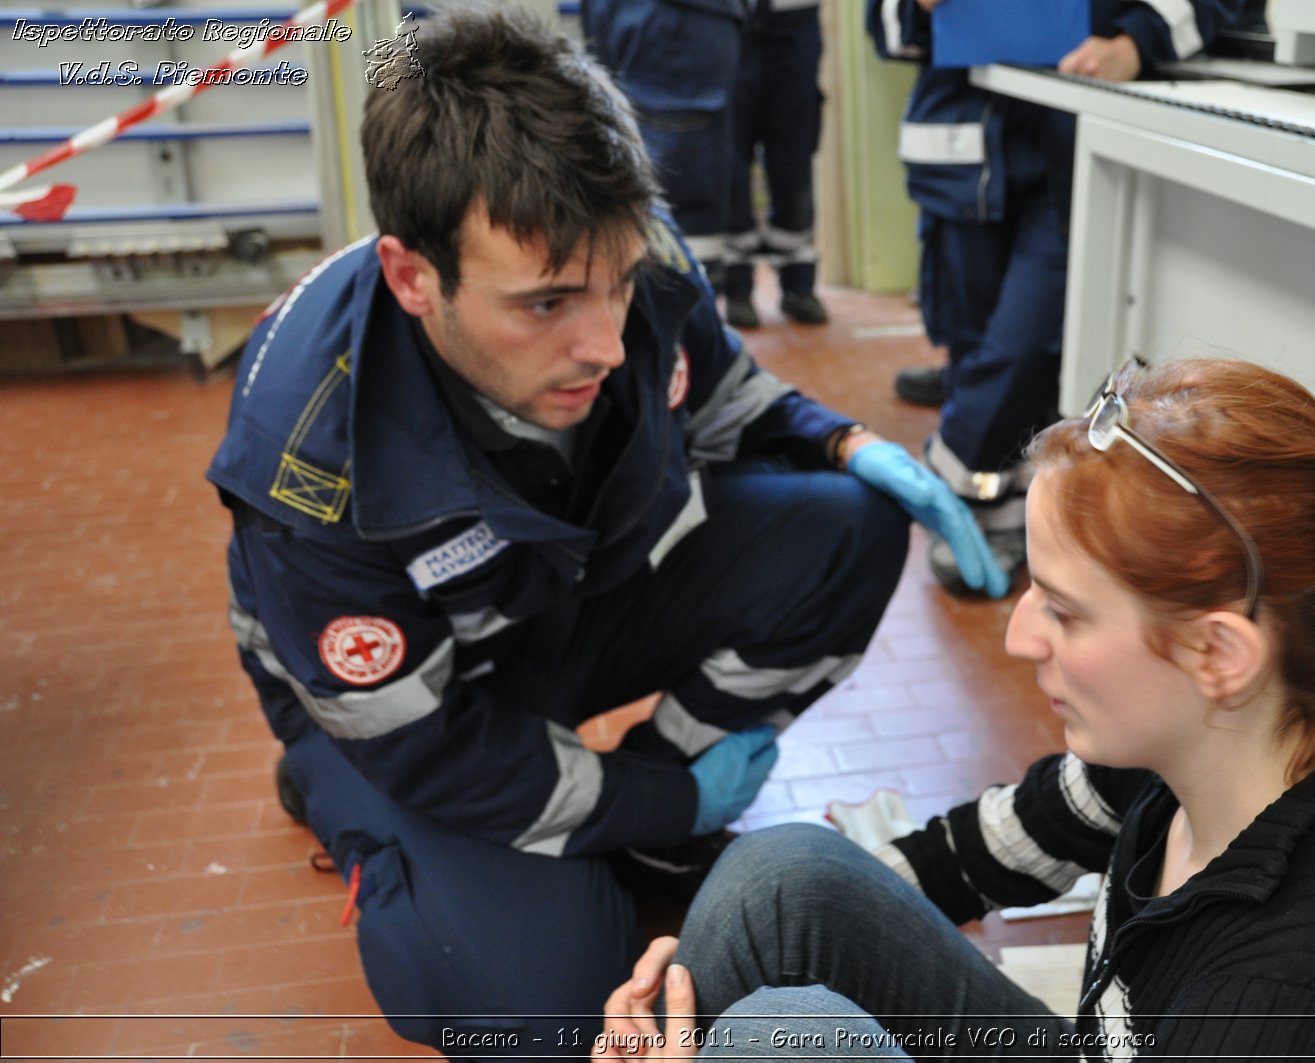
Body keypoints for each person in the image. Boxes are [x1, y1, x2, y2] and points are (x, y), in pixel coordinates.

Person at [206, 5, 1009, 1056]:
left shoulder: (618, 245)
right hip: (408, 710)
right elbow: (429, 741)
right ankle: (339, 795)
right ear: (414, 279)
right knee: (540, 1005)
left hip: (553, 601)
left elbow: (714, 391)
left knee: (849, 527)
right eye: (545, 305)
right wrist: (667, 797)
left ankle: (640, 835)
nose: (602, 341)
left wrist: (845, 443)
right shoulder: (311, 460)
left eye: (617, 285)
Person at [596, 357, 1315, 1060]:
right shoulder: (1199, 751)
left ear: (1218, 653)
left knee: (781, 1039)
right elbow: (989, 846)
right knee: (781, 875)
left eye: (1065, 610)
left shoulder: (1289, 1007)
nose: (1020, 635)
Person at [869, 0, 1244, 595]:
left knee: (1023, 346)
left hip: (1075, 145)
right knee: (974, 347)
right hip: (959, 152)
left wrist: (1136, 41)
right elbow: (884, 28)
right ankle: (1009, 503)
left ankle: (959, 496)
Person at [582, 0, 746, 292]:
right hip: (680, 21)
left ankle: (675, 315)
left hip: (647, 18)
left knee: (624, 154)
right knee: (684, 179)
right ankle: (685, 318)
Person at [722, 0, 830, 330]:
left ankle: (798, 286)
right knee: (730, 162)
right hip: (729, 23)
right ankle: (737, 289)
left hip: (794, 27)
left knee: (794, 159)